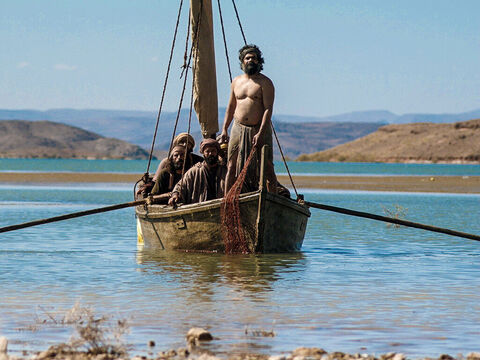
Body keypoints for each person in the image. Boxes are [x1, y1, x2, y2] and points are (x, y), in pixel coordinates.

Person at [220, 44, 277, 194]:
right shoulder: (236, 81)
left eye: (254, 58)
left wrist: (260, 132)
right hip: (238, 128)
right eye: (247, 58)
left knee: (267, 166)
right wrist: (224, 129)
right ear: (242, 61)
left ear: (259, 61)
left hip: (259, 128)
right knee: (231, 165)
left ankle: (273, 199)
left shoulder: (265, 83)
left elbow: (268, 109)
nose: (251, 60)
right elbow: (231, 107)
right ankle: (228, 199)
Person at [168, 138, 227, 206]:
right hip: (200, 207)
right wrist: (175, 195)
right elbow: (180, 186)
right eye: (207, 151)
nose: (210, 153)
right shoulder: (194, 171)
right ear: (203, 153)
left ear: (217, 152)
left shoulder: (224, 171)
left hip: (221, 206)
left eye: (213, 151)